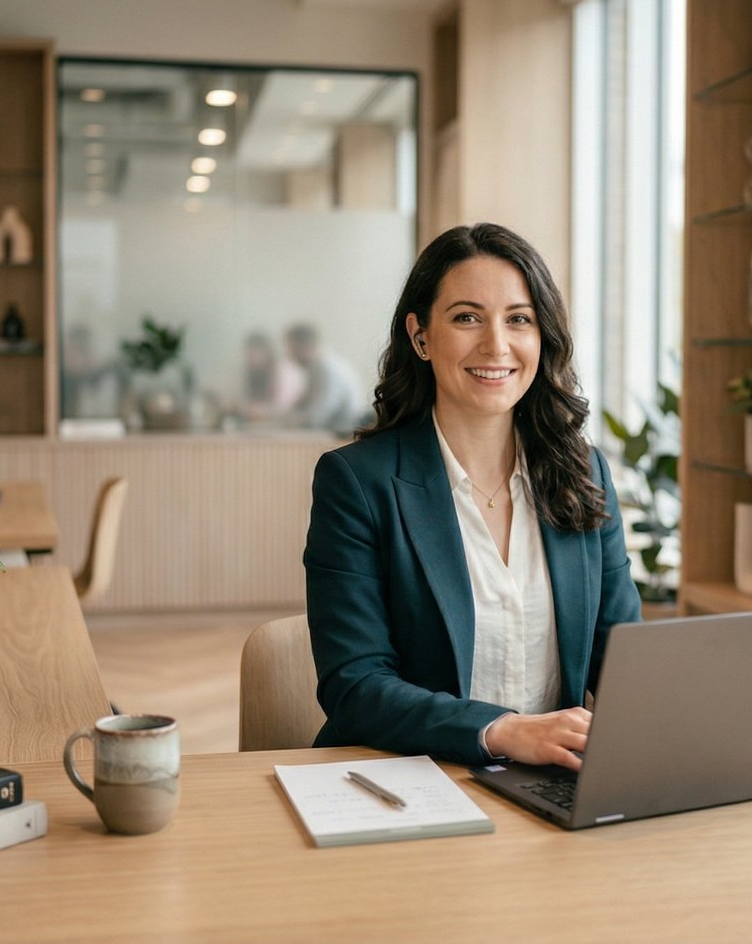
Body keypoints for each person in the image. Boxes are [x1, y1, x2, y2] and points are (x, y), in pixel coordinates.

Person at [303, 223, 640, 769]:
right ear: (420, 336)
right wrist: (502, 732)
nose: (496, 345)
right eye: (467, 318)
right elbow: (356, 685)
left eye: (519, 319)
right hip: (407, 778)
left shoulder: (584, 473)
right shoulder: (357, 483)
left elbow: (625, 659)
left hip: (548, 781)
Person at [283, 322, 365, 434]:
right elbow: (304, 406)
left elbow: (319, 415)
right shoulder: (317, 366)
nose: (290, 354)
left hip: (342, 434)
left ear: (306, 346)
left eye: (293, 349)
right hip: (332, 430)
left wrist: (288, 421)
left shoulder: (327, 369)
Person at [237, 332, 305, 422]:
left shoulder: (283, 370)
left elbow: (283, 406)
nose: (251, 358)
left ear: (267, 352)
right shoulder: (253, 373)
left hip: (289, 419)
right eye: (249, 354)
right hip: (264, 421)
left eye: (254, 353)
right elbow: (250, 402)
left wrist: (258, 410)